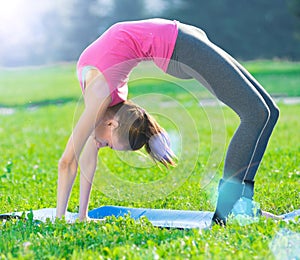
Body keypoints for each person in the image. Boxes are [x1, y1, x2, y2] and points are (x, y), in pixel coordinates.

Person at [56, 18, 279, 225]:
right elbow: (87, 158)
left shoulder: (100, 94)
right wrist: (82, 216)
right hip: (179, 39)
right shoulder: (108, 102)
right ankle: (240, 206)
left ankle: (229, 210)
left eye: (110, 145)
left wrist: (59, 219)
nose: (103, 146)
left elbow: (67, 161)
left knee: (265, 113)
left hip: (180, 46)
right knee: (260, 113)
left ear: (112, 124)